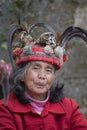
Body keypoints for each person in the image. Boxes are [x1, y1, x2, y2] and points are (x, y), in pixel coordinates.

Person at [0, 22, 87, 130]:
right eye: (35, 68)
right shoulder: (5, 108)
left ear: (53, 78)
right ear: (22, 75)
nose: (42, 76)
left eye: (48, 70)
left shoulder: (69, 107)